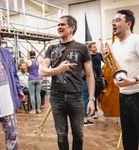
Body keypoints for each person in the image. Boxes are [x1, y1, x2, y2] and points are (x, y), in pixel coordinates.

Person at [41, 15, 95, 150]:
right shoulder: (51, 48)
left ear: (72, 28)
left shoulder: (82, 48)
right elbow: (42, 71)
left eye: (62, 25)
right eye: (58, 25)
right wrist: (58, 69)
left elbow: (89, 75)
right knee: (61, 134)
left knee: (78, 134)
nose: (59, 27)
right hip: (56, 96)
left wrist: (91, 99)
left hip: (76, 97)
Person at [0, 21, 25, 149]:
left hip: (8, 103)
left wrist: (19, 90)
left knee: (12, 138)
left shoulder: (6, 53)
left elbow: (14, 74)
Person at [111, 10, 139, 150]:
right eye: (113, 21)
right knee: (128, 137)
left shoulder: (136, 40)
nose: (113, 23)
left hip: (138, 94)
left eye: (117, 20)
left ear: (128, 23)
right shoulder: (114, 46)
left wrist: (134, 80)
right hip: (123, 96)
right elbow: (117, 70)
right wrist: (116, 80)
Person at [88, 41, 104, 119]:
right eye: (94, 47)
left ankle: (105, 109)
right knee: (93, 95)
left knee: (102, 94)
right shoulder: (87, 56)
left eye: (96, 46)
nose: (96, 48)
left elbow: (105, 63)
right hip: (92, 78)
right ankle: (95, 112)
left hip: (100, 77)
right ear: (90, 48)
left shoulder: (99, 54)